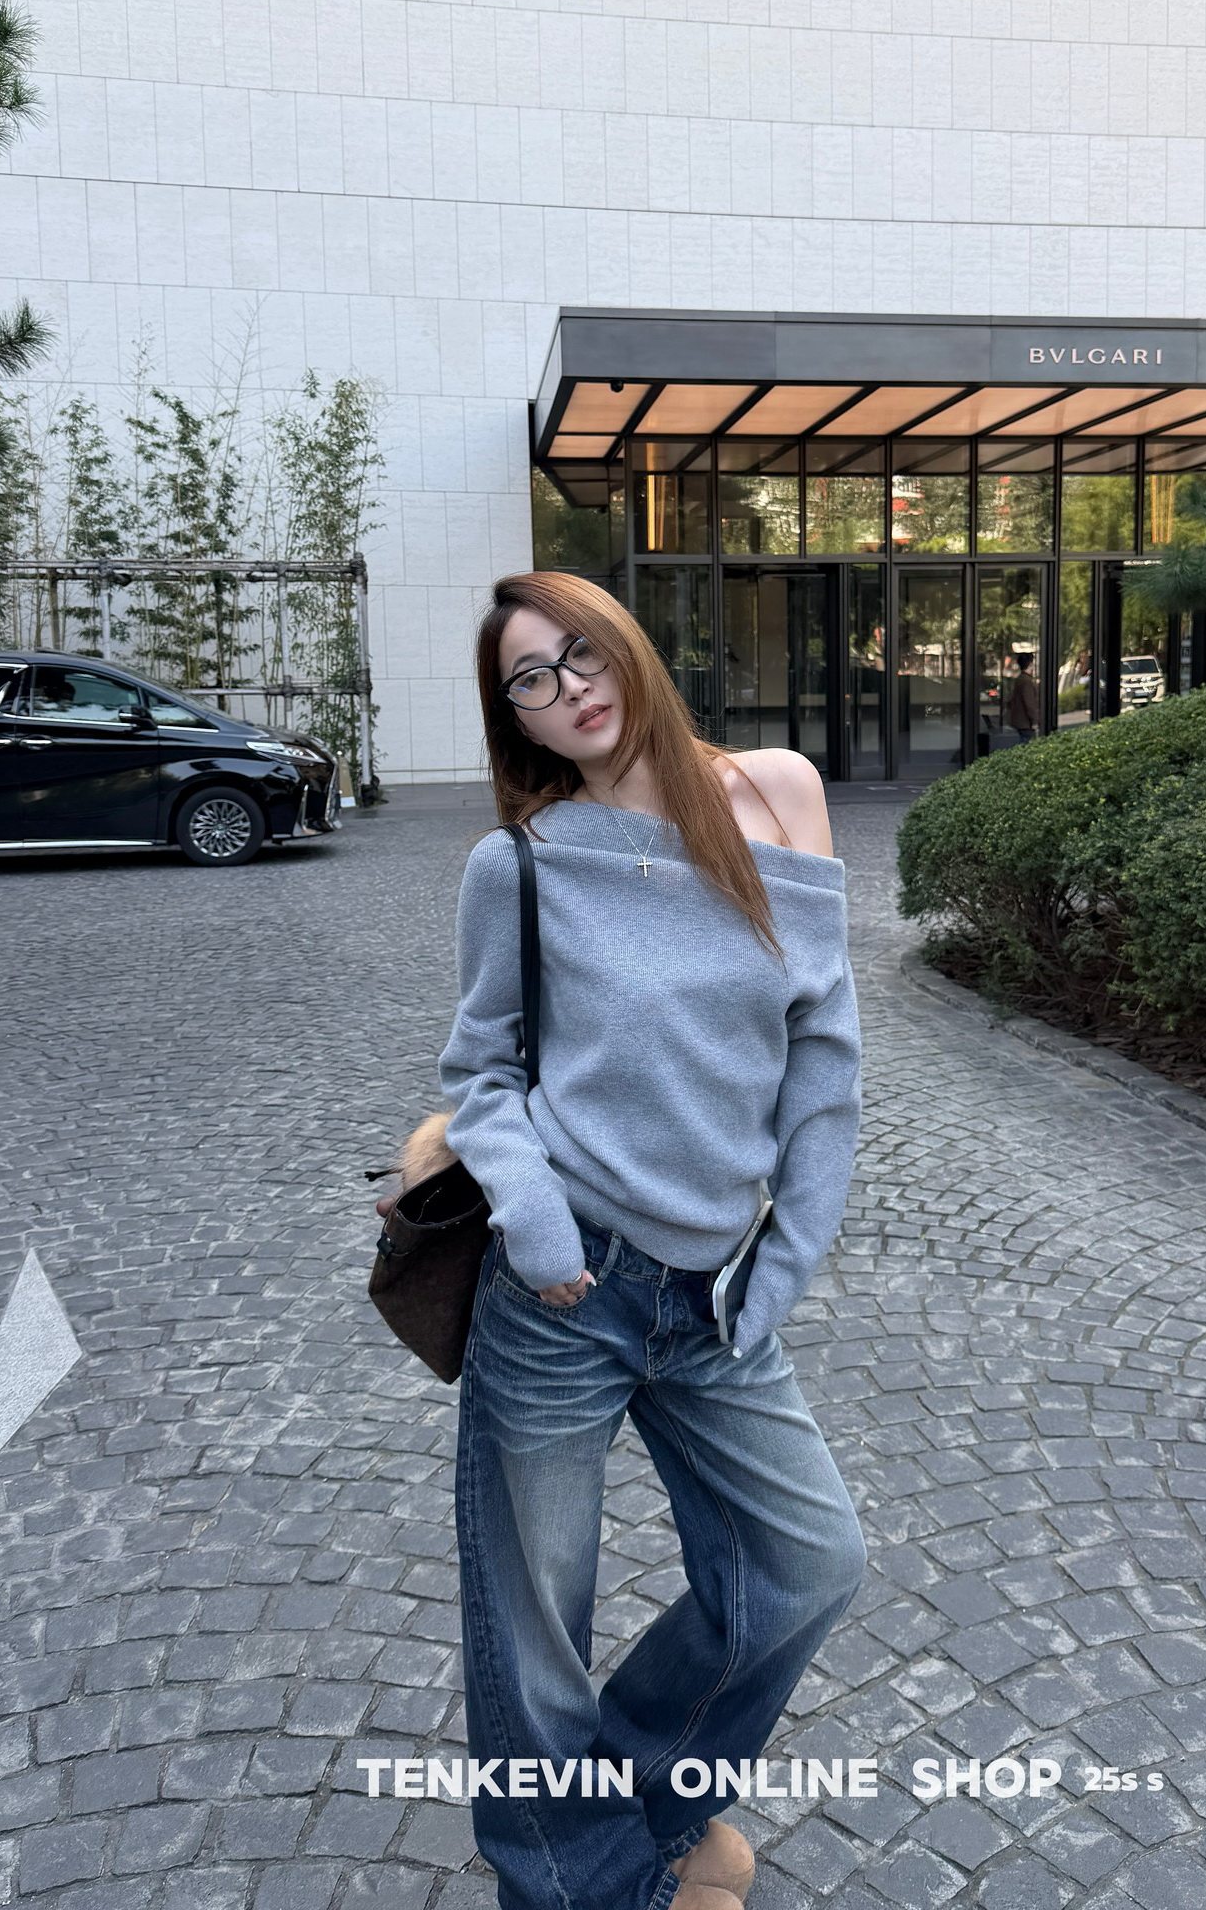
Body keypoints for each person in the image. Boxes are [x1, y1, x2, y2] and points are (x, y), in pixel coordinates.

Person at [419, 570, 869, 1910]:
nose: (570, 689)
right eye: (530, 679)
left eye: (581, 653)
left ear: (628, 647)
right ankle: (585, 1885)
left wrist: (787, 1253)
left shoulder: (775, 794)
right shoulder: (520, 863)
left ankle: (633, 1805)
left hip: (718, 1296)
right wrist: (537, 1222)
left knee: (806, 1562)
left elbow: (824, 1051)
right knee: (534, 1626)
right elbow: (482, 1072)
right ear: (514, 717)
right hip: (563, 1289)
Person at [1003, 652, 1041, 743]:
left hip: (1019, 723)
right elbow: (1029, 704)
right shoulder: (1027, 681)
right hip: (1026, 724)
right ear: (1030, 664)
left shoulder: (1020, 679)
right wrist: (1034, 721)